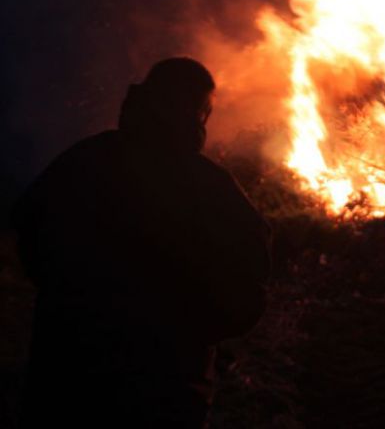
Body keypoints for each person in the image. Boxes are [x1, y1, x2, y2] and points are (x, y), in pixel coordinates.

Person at [11, 57, 270, 428]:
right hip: (164, 391)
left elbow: (31, 231)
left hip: (66, 378)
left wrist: (70, 300)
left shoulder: (83, 161)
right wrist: (194, 334)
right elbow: (247, 285)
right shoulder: (211, 189)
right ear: (197, 113)